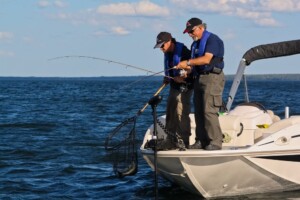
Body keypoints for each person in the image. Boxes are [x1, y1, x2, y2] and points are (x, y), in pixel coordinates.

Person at [176, 18, 225, 150]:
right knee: (198, 111)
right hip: (199, 78)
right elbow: (194, 65)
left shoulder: (212, 40)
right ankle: (201, 140)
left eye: (192, 31)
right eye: (188, 32)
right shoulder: (195, 45)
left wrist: (187, 63)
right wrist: (185, 72)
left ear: (201, 28)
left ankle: (215, 142)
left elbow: (206, 59)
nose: (190, 34)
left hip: (212, 78)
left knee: (209, 111)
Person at [154, 31, 193, 148]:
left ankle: (183, 141)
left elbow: (192, 67)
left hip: (185, 86)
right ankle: (170, 140)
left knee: (181, 112)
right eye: (159, 46)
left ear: (169, 42)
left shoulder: (184, 51)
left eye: (162, 46)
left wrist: (182, 76)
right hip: (173, 86)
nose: (161, 49)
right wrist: (167, 77)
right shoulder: (167, 52)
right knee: (170, 111)